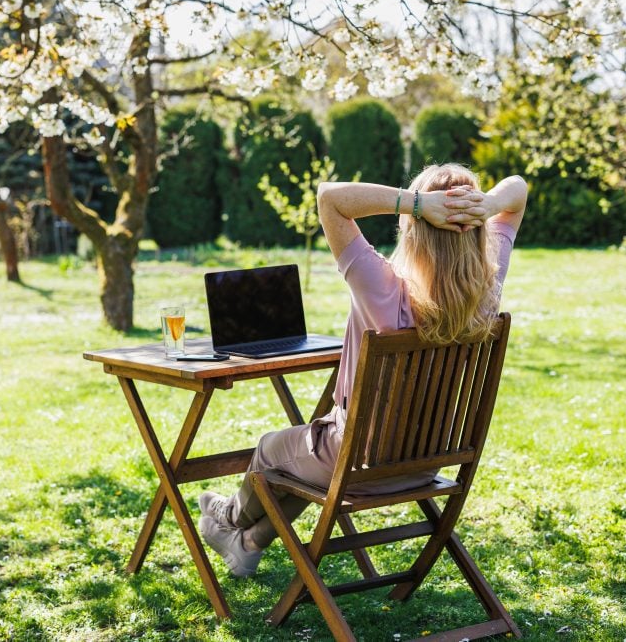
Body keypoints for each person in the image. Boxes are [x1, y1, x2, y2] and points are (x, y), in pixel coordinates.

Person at [197, 163, 528, 577]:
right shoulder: (486, 292)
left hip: (355, 463)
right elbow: (517, 192)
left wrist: (418, 203)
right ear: (478, 227)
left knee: (271, 450)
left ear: (414, 227)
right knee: (307, 453)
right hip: (426, 463)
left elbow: (331, 199)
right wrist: (489, 204)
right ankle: (246, 543)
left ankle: (228, 517)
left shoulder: (383, 289)